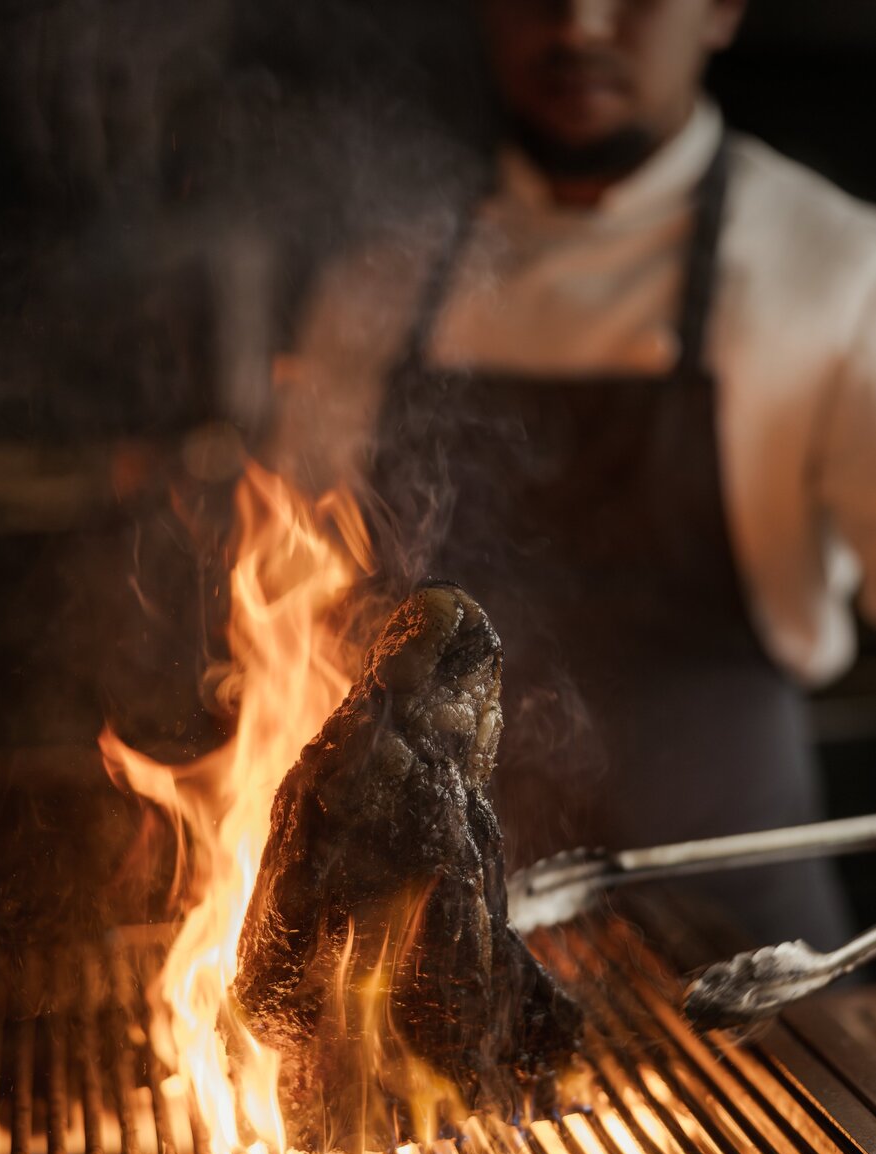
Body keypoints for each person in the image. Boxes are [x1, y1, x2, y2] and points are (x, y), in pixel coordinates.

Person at [267, 0, 876, 947]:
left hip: (739, 938)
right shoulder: (379, 283)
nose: (581, 24)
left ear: (718, 11)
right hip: (430, 939)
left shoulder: (836, 267)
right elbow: (295, 610)